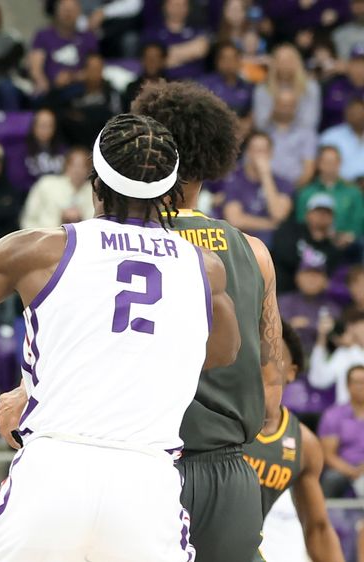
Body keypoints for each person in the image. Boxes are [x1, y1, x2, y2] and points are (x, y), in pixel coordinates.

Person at [0, 113, 241, 561]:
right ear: (172, 190)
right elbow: (223, 352)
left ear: (95, 183)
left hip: (56, 468)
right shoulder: (205, 268)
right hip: (146, 481)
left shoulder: (38, 249)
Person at [125, 81, 284, 562]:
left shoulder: (119, 241)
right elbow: (271, 367)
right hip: (231, 470)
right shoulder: (254, 252)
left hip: (144, 463)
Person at [243, 321, 345, 562]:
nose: (263, 363)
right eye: (257, 354)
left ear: (291, 371)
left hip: (241, 547)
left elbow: (318, 528)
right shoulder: (217, 417)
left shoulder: (304, 444)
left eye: (273, 356)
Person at [220, 130, 294, 246]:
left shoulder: (283, 183)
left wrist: (265, 176)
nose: (259, 155)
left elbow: (278, 214)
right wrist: (270, 224)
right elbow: (234, 219)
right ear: (248, 152)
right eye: (255, 150)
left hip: (271, 245)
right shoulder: (234, 179)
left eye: (263, 150)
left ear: (271, 153)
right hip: (240, 241)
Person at [271, 193, 343, 294]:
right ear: (307, 213)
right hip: (282, 290)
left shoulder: (333, 248)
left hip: (315, 297)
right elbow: (282, 255)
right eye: (318, 211)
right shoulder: (289, 230)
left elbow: (329, 274)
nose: (322, 215)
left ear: (332, 218)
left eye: (327, 212)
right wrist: (306, 272)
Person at [29, 0, 98, 99]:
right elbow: (35, 68)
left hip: (80, 89)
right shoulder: (43, 36)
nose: (68, 13)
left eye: (72, 9)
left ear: (79, 11)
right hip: (51, 91)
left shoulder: (88, 37)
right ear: (56, 11)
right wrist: (43, 83)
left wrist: (71, 77)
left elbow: (94, 70)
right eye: (64, 9)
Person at [298, 146, 364, 245]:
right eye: (327, 162)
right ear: (318, 163)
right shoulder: (306, 192)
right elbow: (300, 221)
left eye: (334, 162)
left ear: (340, 163)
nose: (330, 166)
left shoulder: (353, 192)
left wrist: (349, 236)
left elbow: (359, 222)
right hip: (312, 242)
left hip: (348, 245)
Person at [55, 53, 122, 148]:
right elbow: (61, 114)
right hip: (74, 145)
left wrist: (85, 116)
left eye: (98, 69)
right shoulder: (72, 92)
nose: (95, 72)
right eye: (92, 69)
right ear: (85, 70)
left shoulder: (111, 93)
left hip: (103, 144)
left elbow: (116, 121)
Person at [317, 364, 364, 497]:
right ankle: (324, 517)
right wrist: (352, 472)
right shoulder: (333, 415)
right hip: (342, 469)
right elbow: (328, 455)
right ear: (348, 386)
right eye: (357, 382)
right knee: (332, 479)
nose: (361, 386)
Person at [278, 257, 342, 355]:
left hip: (321, 360)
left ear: (325, 280)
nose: (311, 280)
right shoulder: (283, 302)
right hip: (285, 357)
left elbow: (335, 334)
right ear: (297, 277)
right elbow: (277, 330)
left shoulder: (333, 307)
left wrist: (305, 323)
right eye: (307, 274)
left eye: (316, 275)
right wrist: (316, 326)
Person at [20, 146, 92, 229]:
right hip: (45, 236)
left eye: (83, 166)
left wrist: (81, 218)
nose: (78, 170)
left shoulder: (94, 192)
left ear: (89, 169)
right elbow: (28, 218)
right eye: (74, 165)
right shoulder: (46, 184)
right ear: (66, 166)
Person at [253, 44, 321, 131]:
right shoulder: (262, 89)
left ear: (298, 62)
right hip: (269, 137)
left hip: (302, 137)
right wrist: (277, 111)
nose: (285, 65)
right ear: (273, 64)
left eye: (289, 61)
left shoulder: (311, 88)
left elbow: (310, 123)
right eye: (280, 61)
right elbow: (260, 124)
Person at [260, 89, 317, 187]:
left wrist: (292, 190)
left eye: (289, 105)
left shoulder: (307, 133)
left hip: (295, 187)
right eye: (282, 105)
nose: (285, 109)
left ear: (296, 107)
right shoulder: (263, 131)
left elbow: (309, 169)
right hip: (263, 185)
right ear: (274, 105)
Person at [142, 0, 209, 80]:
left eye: (182, 4)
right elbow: (152, 61)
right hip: (163, 84)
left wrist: (165, 56)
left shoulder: (198, 31)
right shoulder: (153, 33)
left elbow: (201, 49)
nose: (178, 8)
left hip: (195, 84)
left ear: (189, 8)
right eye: (174, 4)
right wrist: (190, 52)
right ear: (164, 6)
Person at [309, 312, 364, 405]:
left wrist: (353, 346)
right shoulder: (342, 354)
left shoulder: (355, 351)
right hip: (345, 411)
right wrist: (322, 336)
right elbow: (318, 379)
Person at [6, 108, 66, 193]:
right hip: (30, 195)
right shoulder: (20, 151)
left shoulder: (62, 150)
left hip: (58, 194)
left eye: (50, 126)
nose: (46, 130)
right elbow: (17, 180)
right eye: (42, 125)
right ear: (33, 126)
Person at [199, 42, 253, 133]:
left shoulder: (248, 86)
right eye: (225, 59)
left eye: (233, 59)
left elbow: (251, 114)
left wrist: (247, 124)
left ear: (239, 61)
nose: (229, 63)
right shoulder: (205, 84)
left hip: (241, 133)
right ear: (217, 61)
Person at [320, 98, 364, 183]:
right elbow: (323, 167)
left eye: (360, 112)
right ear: (346, 113)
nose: (357, 116)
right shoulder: (330, 136)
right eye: (353, 112)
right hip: (339, 188)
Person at [322, 44, 364, 130]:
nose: (360, 68)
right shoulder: (335, 85)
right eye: (356, 63)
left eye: (362, 64)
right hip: (336, 137)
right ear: (348, 65)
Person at [121, 41, 167, 111]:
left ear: (163, 61)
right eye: (148, 57)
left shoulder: (172, 87)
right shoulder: (132, 88)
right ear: (142, 60)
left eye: (155, 58)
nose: (151, 62)